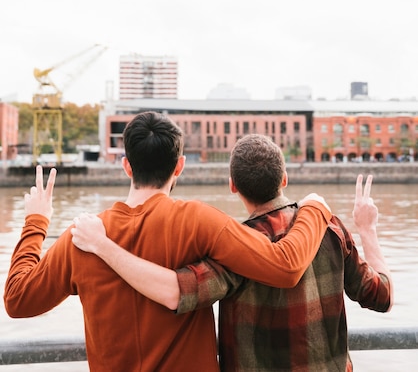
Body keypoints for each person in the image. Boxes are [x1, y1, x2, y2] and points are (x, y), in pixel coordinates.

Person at [4, 112, 332, 372]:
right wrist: (314, 208)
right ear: (180, 166)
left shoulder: (83, 237)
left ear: (126, 166)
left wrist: (37, 221)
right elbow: (284, 266)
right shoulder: (198, 222)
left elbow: (18, 300)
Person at [71, 133, 393, 372]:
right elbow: (382, 296)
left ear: (233, 186)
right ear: (284, 178)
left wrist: (103, 246)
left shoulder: (233, 250)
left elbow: (174, 291)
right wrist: (367, 228)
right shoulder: (331, 229)